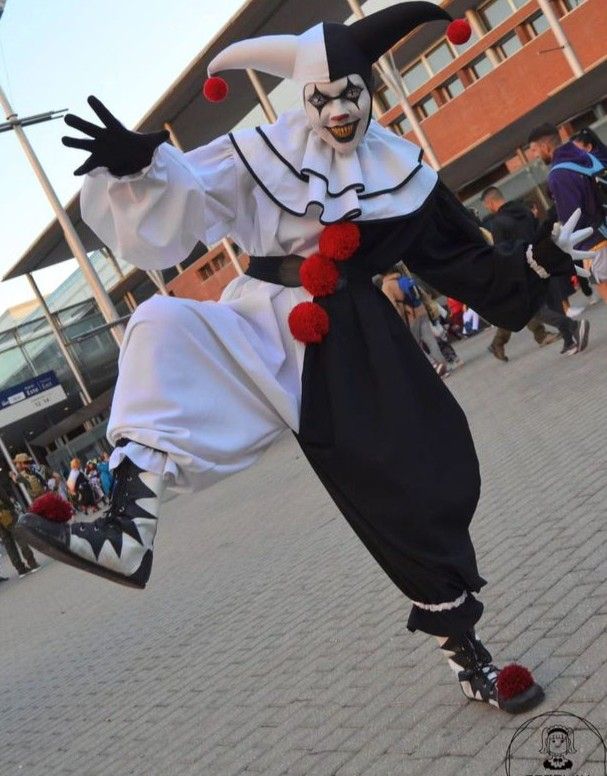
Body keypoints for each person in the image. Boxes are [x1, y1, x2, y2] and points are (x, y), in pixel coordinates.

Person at [17, 3, 593, 713]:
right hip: (260, 320)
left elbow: (461, 264)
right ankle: (126, 528)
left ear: (369, 89)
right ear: (304, 98)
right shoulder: (262, 149)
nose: (338, 111)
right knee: (161, 324)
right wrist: (143, 169)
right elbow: (183, 205)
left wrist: (535, 260)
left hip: (355, 345)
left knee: (414, 485)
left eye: (351, 95)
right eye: (322, 99)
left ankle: (464, 648)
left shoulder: (399, 168)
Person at [481, 187, 589, 360]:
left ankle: (574, 326)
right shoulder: (524, 210)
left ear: (490, 203)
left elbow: (502, 253)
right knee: (553, 302)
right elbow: (539, 231)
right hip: (543, 259)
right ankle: (569, 341)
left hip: (522, 269)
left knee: (533, 310)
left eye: (487, 206)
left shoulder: (499, 223)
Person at [529, 123, 607, 304]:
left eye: (534, 150)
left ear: (544, 146)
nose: (535, 156)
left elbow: (572, 217)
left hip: (594, 243)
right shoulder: (588, 157)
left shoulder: (558, 175)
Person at [0, 486, 39, 576]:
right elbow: (5, 498)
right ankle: (32, 562)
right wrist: (11, 508)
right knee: (20, 537)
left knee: (8, 544)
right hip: (6, 513)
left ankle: (20, 569)